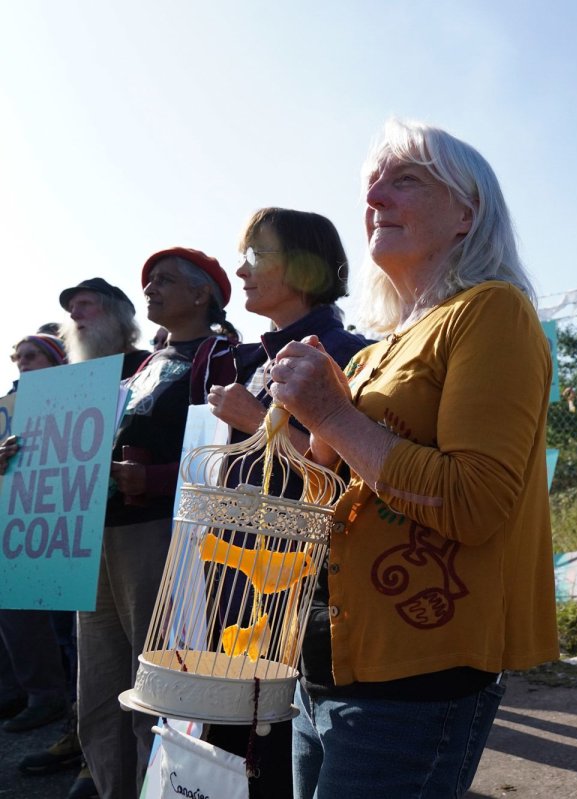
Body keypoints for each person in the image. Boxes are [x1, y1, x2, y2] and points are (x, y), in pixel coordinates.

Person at [263, 120, 559, 798]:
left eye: (405, 180)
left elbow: (475, 502)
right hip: (331, 661)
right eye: (370, 186)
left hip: (417, 673)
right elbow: (338, 498)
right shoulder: (371, 352)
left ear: (466, 212)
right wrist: (301, 423)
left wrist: (335, 415)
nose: (376, 197)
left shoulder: (492, 311)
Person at [201, 207, 367, 798]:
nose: (240, 271)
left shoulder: (350, 353)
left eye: (255, 256)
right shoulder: (254, 358)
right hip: (234, 584)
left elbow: (352, 475)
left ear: (302, 266)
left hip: (297, 593)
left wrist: (256, 424)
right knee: (230, 740)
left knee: (273, 749)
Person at [76, 248, 230, 799]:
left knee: (153, 689)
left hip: (158, 537)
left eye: (164, 280)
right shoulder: (143, 366)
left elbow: (232, 453)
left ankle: (159, 788)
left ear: (201, 294)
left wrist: (157, 480)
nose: (150, 290)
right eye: (147, 282)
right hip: (100, 535)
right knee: (99, 691)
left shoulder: (220, 358)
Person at [12, 279, 151, 795]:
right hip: (79, 542)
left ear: (118, 313)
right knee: (95, 674)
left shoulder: (151, 367)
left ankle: (145, 777)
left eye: (86, 305)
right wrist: (13, 462)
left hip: (139, 534)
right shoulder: (63, 386)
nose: (76, 314)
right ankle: (98, 769)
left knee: (142, 671)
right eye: (71, 309)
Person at [0, 333, 72, 738]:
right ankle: (24, 692)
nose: (23, 363)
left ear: (56, 361)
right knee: (12, 613)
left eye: (33, 356)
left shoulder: (78, 396)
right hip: (16, 518)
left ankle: (53, 697)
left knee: (55, 622)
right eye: (18, 357)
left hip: (61, 518)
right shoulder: (7, 407)